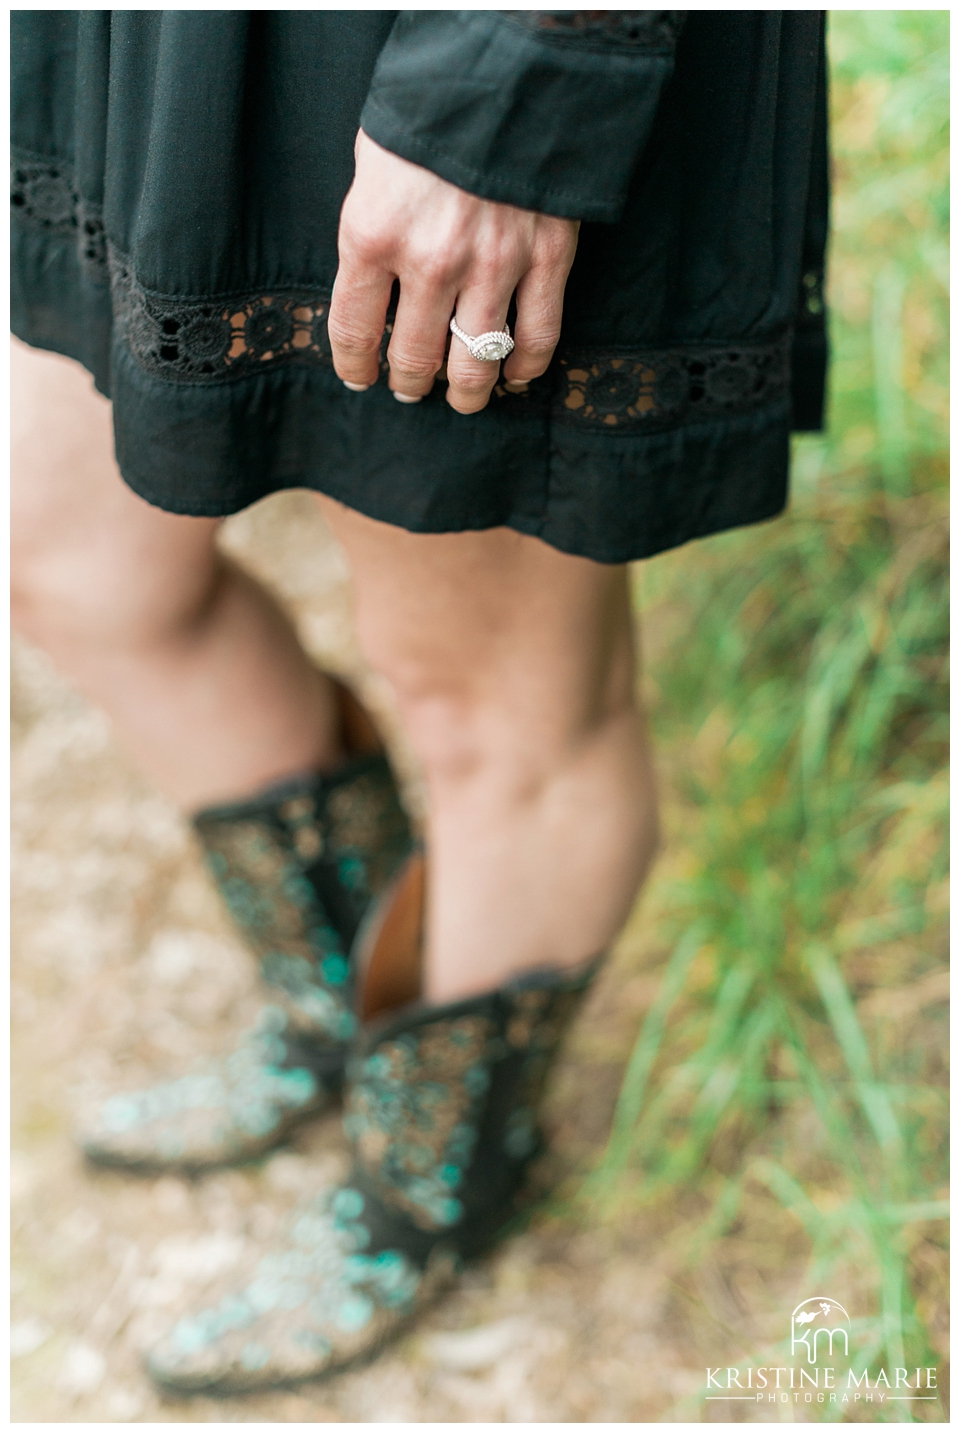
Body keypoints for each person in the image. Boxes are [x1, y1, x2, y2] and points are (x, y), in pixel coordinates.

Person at [11, 9, 828, 1396]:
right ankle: (347, 1003)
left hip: (443, 63)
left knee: (496, 714)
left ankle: (430, 1179)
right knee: (75, 565)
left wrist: (513, 92)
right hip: (156, 50)